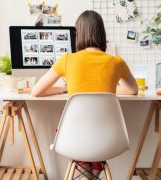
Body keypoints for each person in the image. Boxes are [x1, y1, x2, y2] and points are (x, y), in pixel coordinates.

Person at [31, 10, 138, 179]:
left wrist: (64, 89)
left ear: (78, 34)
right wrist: (108, 88)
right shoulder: (117, 61)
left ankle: (87, 174)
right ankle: (94, 172)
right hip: (108, 139)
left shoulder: (66, 59)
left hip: (73, 139)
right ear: (102, 33)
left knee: (71, 130)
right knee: (95, 132)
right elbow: (133, 90)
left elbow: (36, 91)